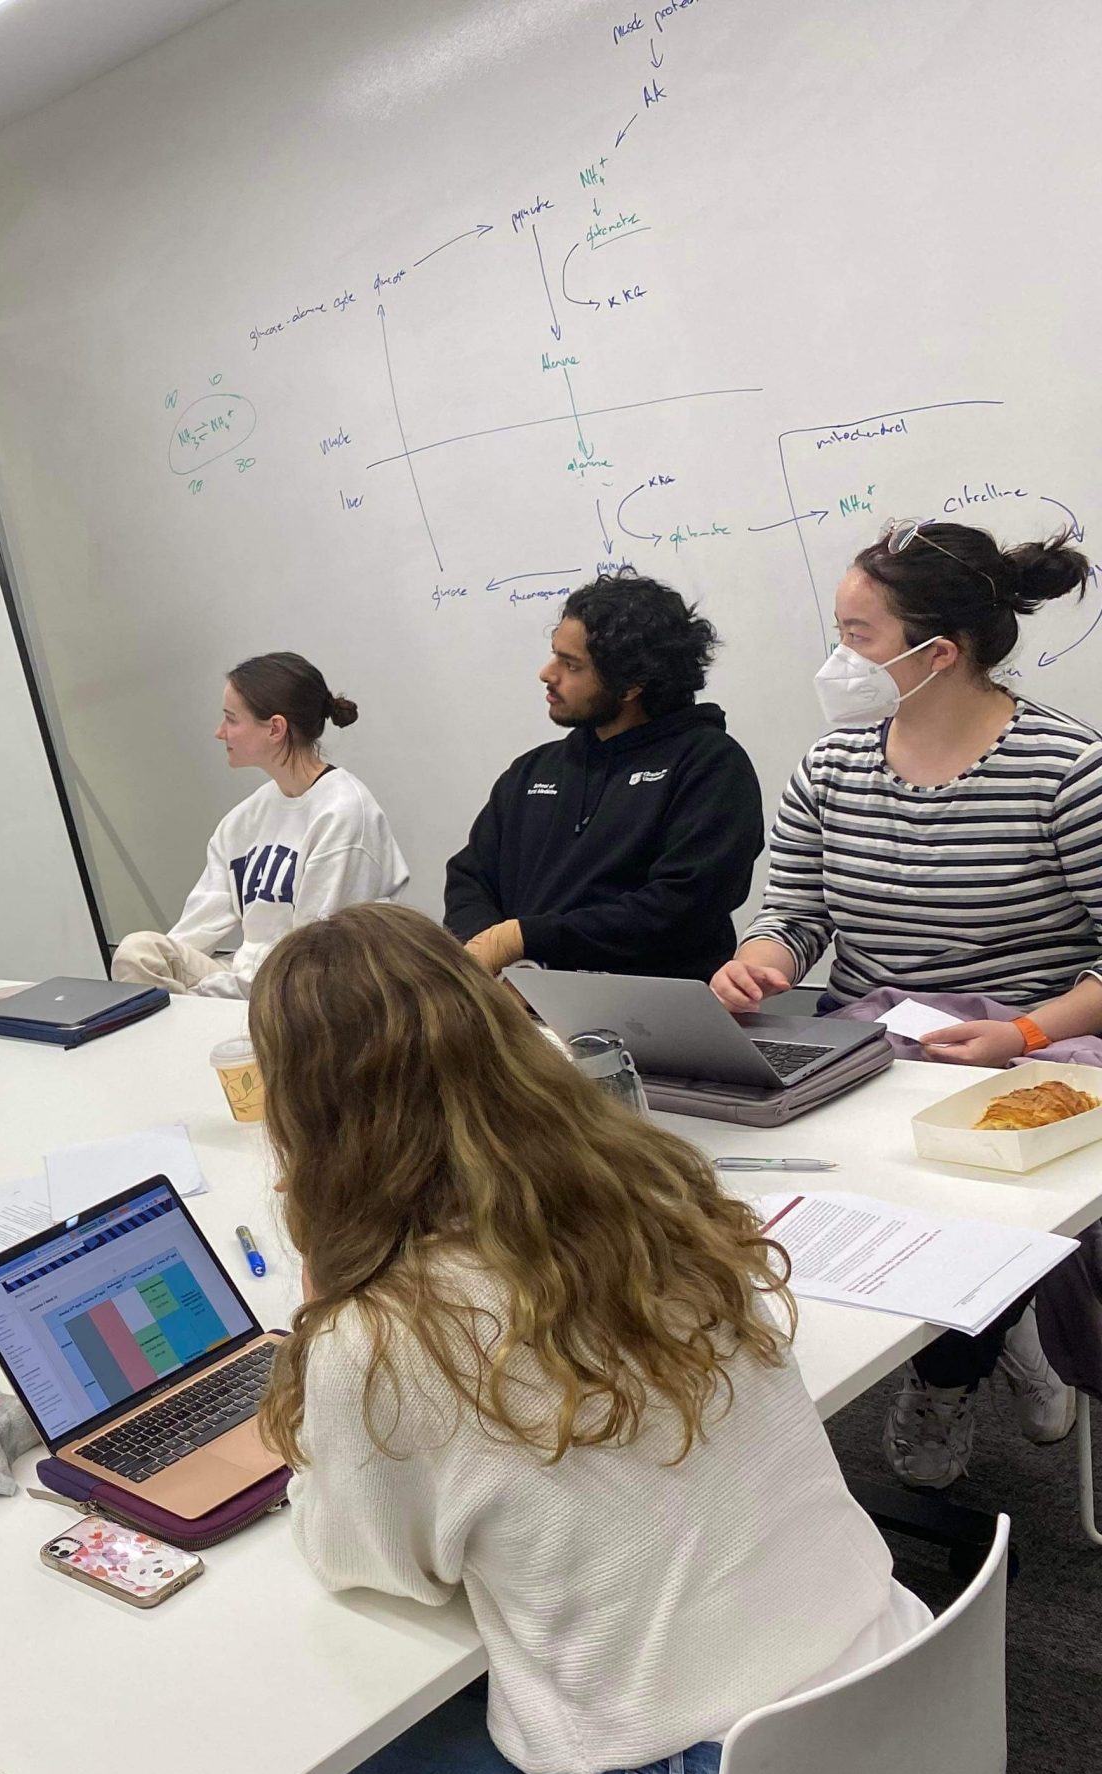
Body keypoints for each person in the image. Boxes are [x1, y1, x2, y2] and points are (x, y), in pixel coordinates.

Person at [251, 904, 925, 1774]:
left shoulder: (383, 1332)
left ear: (305, 1114)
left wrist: (321, 1353)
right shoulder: (658, 1194)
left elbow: (369, 1565)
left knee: (323, 1737)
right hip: (903, 1701)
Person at [710, 518, 1096, 1489]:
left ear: (939, 654)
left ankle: (951, 1368)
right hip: (871, 1049)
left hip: (1025, 1056)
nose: (837, 659)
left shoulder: (1066, 771)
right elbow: (795, 913)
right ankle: (996, 1324)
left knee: (957, 1216)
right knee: (755, 1195)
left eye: (857, 636)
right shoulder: (831, 767)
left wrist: (1022, 1030)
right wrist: (760, 958)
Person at [445, 574, 762, 980]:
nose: (547, 673)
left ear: (630, 685)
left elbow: (681, 906)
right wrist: (491, 950)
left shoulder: (709, 766)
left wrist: (525, 938)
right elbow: (470, 877)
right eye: (554, 655)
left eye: (571, 664)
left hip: (645, 1007)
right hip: (515, 998)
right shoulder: (534, 770)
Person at [111, 652, 408, 997]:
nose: (220, 732)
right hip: (247, 981)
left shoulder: (343, 814)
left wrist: (198, 995)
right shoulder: (244, 820)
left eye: (231, 719)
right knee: (137, 954)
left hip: (311, 993)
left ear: (275, 728)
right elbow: (194, 931)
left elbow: (317, 960)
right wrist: (178, 986)